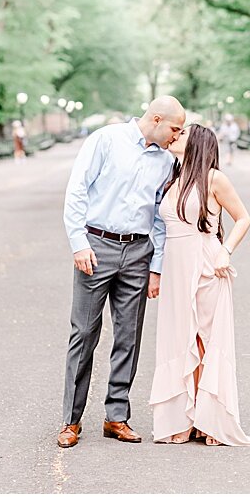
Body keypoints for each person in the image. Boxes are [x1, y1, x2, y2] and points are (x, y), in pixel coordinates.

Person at [57, 97, 185, 449]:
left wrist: (156, 267)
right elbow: (77, 189)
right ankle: (71, 420)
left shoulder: (166, 162)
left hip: (139, 251)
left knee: (129, 336)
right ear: (156, 119)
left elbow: (161, 217)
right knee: (83, 333)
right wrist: (78, 242)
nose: (177, 136)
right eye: (175, 128)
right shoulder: (106, 140)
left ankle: (116, 417)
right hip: (96, 246)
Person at [150, 124, 250, 447]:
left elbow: (243, 218)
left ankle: (210, 419)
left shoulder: (214, 179)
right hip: (176, 266)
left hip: (205, 262)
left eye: (181, 134)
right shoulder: (172, 178)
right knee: (180, 338)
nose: (174, 137)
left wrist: (225, 252)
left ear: (197, 143)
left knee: (204, 339)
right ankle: (185, 418)